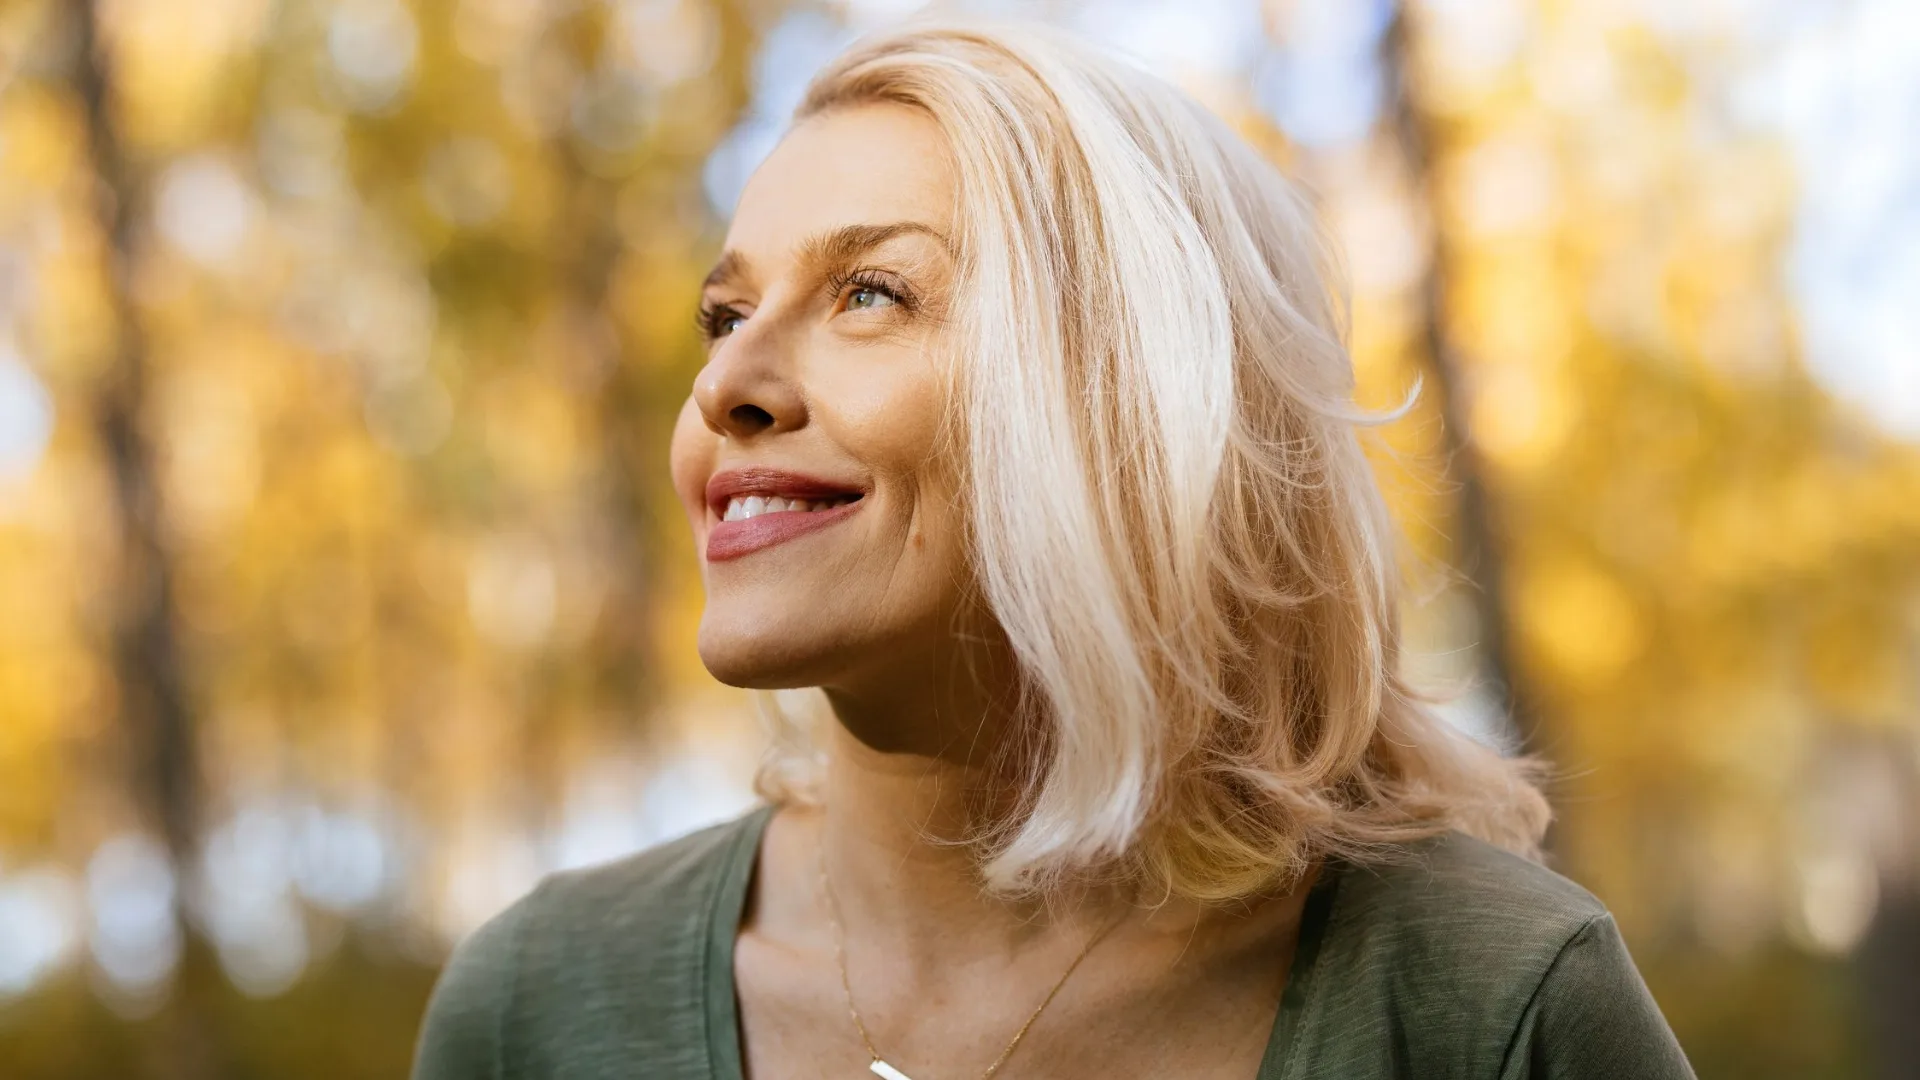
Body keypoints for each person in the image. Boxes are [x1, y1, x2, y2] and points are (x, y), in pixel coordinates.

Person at [409, 19, 1694, 1080]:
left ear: (1134, 401)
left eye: (870, 293)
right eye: (725, 311)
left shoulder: (1492, 1002)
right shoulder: (537, 1009)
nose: (726, 382)